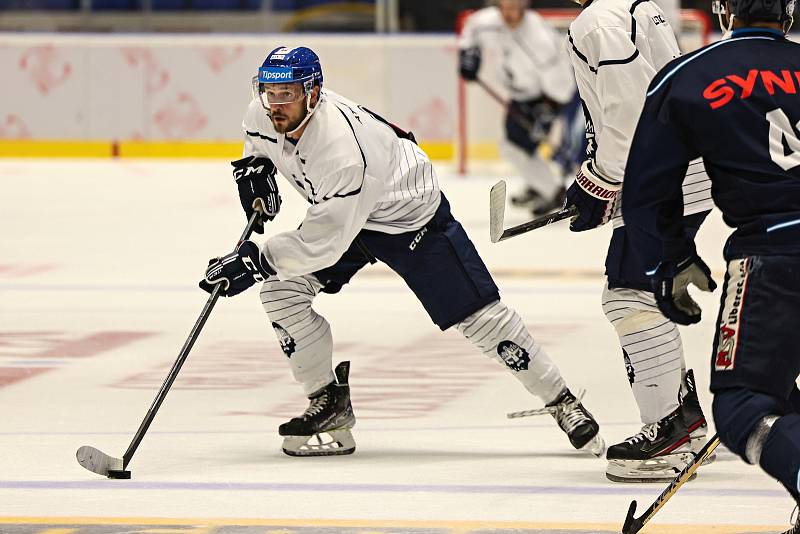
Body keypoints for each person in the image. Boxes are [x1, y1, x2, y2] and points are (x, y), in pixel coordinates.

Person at [198, 46, 605, 458]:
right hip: (347, 213)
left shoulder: (343, 150)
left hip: (408, 216)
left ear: (314, 93)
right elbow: (257, 142)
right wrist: (254, 169)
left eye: (287, 94)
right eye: (269, 92)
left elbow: (324, 242)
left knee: (482, 320)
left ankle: (562, 401)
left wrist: (256, 261)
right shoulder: (263, 112)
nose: (275, 104)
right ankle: (328, 403)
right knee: (280, 294)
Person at [621, 0, 800, 526]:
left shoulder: (686, 76)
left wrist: (670, 261)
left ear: (725, 12)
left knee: (743, 405)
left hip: (774, 258)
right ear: (787, 14)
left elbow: (645, 196)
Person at [562, 0, 715, 482]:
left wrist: (601, 179)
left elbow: (629, 109)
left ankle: (672, 430)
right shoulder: (637, 6)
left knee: (629, 295)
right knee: (639, 292)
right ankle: (684, 417)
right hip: (673, 168)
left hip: (663, 174)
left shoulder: (598, 20)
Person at [458, 0, 577, 216]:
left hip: (543, 99)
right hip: (518, 96)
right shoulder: (488, 21)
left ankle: (553, 191)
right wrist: (469, 55)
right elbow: (471, 30)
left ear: (524, 6)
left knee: (513, 148)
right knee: (522, 147)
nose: (508, 15)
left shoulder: (539, 35)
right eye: (505, 8)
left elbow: (562, 78)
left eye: (514, 9)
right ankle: (539, 186)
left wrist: (548, 109)